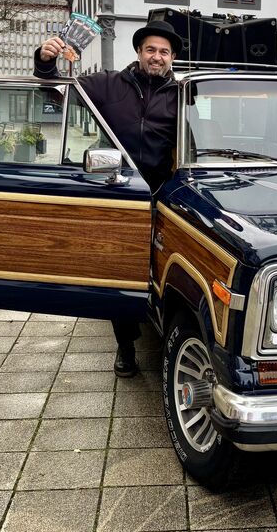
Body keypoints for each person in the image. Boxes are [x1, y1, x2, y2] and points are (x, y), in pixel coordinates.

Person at [33, 20, 182, 378]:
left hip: (162, 194)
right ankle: (126, 344)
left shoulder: (183, 95)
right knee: (120, 272)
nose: (156, 57)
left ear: (172, 57)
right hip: (118, 193)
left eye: (163, 51)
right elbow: (57, 92)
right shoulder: (108, 84)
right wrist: (45, 62)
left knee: (160, 269)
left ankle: (165, 326)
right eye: (150, 49)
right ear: (139, 52)